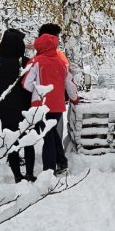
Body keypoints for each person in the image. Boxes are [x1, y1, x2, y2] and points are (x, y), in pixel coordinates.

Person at [23, 32, 78, 175]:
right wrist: (74, 98)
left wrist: (36, 91)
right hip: (58, 105)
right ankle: (62, 161)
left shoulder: (36, 62)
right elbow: (69, 83)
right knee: (52, 133)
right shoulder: (62, 63)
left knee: (47, 136)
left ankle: (49, 170)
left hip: (41, 104)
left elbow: (26, 84)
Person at [0, 28, 36, 183]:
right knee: (28, 141)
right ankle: (29, 173)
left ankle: (17, 175)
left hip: (6, 109)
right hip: (25, 108)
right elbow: (31, 87)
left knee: (12, 142)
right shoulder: (24, 62)